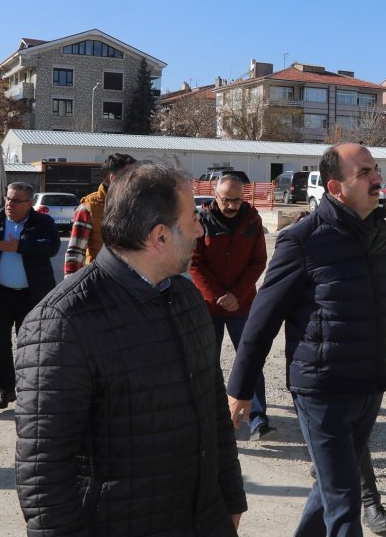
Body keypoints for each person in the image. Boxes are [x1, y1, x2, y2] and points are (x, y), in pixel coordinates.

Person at [15, 163, 246, 535]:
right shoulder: (62, 322)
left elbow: (213, 407)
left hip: (203, 520)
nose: (201, 229)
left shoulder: (186, 298)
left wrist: (230, 498)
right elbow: (44, 471)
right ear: (160, 237)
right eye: (192, 220)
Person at [227, 143, 386, 537]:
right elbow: (262, 321)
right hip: (321, 389)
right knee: (345, 498)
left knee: (333, 485)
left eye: (376, 169)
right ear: (335, 187)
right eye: (364, 172)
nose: (377, 178)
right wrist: (240, 389)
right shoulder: (303, 240)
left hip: (370, 385)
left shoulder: (384, 232)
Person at [189, 174, 271, 438]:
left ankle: (257, 418)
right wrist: (216, 296)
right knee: (206, 362)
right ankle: (210, 415)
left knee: (250, 360)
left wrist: (236, 294)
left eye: (237, 200)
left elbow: (258, 262)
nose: (232, 205)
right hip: (209, 306)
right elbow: (194, 262)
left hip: (243, 305)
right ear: (216, 196)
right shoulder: (201, 221)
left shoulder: (252, 221)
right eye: (226, 200)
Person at [0, 182, 60, 410]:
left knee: (31, 344)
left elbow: (51, 246)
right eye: (8, 199)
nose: (9, 204)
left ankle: (29, 391)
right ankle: (4, 390)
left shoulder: (43, 222)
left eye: (16, 200)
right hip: (0, 294)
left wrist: (20, 246)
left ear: (29, 203)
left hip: (32, 295)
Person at [63, 152, 137, 277]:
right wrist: (71, 289)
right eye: (131, 176)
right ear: (114, 179)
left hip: (133, 283)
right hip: (100, 280)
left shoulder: (138, 204)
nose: (136, 180)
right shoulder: (88, 207)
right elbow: (75, 253)